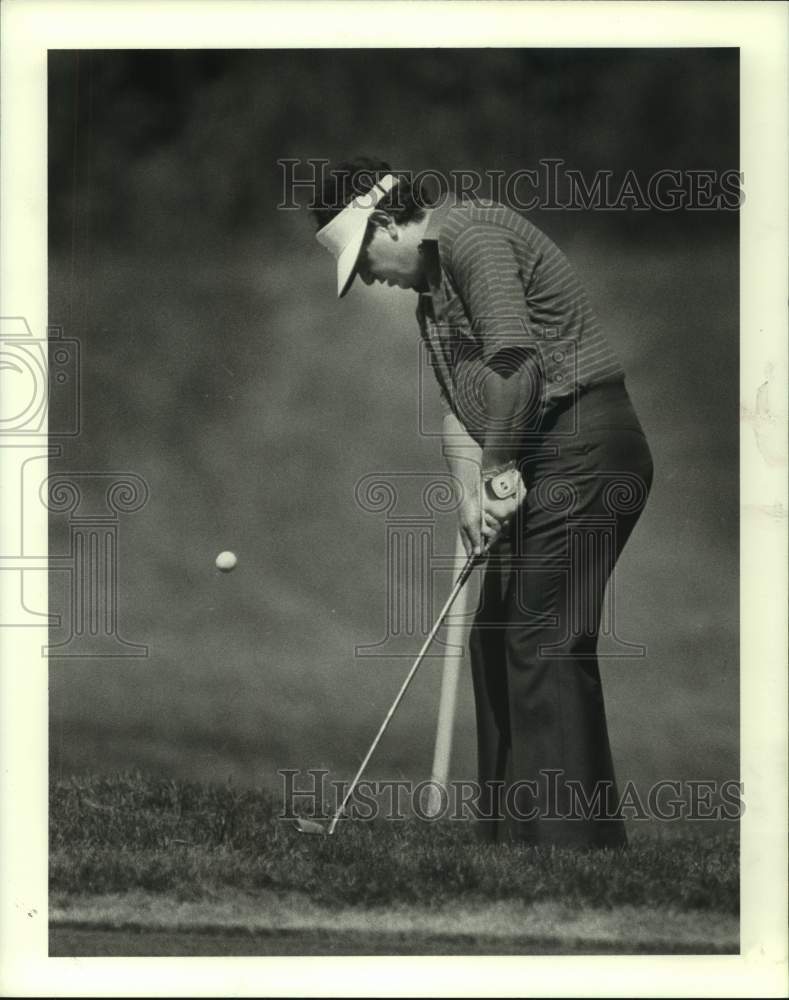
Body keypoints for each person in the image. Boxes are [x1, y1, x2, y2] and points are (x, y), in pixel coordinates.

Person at [312, 157, 653, 848]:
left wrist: (498, 463)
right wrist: (473, 489)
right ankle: (506, 848)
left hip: (585, 445)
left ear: (388, 222)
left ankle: (567, 855)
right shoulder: (431, 301)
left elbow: (515, 364)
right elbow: (456, 407)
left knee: (540, 636)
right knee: (497, 635)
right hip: (543, 452)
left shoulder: (469, 236)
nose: (368, 277)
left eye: (364, 259)